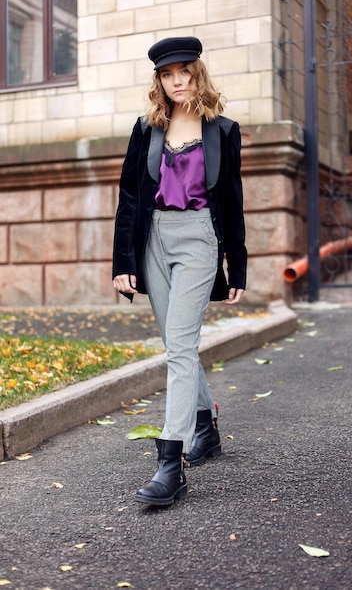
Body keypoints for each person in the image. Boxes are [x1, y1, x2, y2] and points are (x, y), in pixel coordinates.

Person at [112, 36, 247, 506]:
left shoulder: (222, 130)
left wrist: (239, 267)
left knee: (180, 347)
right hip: (154, 240)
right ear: (160, 81)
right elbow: (130, 198)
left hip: (199, 241)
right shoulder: (146, 128)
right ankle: (205, 426)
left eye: (184, 72)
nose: (176, 82)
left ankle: (171, 463)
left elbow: (232, 202)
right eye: (167, 75)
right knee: (177, 344)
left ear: (197, 73)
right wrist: (122, 263)